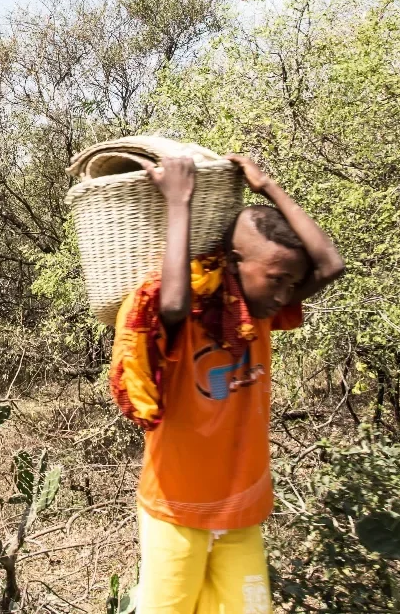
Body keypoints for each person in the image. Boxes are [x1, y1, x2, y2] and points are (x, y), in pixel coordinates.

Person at [109, 152, 345, 614]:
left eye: (291, 285)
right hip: (176, 513)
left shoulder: (258, 317)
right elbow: (173, 302)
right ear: (235, 262)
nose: (284, 295)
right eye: (276, 279)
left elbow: (330, 264)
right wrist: (179, 202)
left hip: (240, 514)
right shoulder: (191, 321)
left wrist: (267, 185)